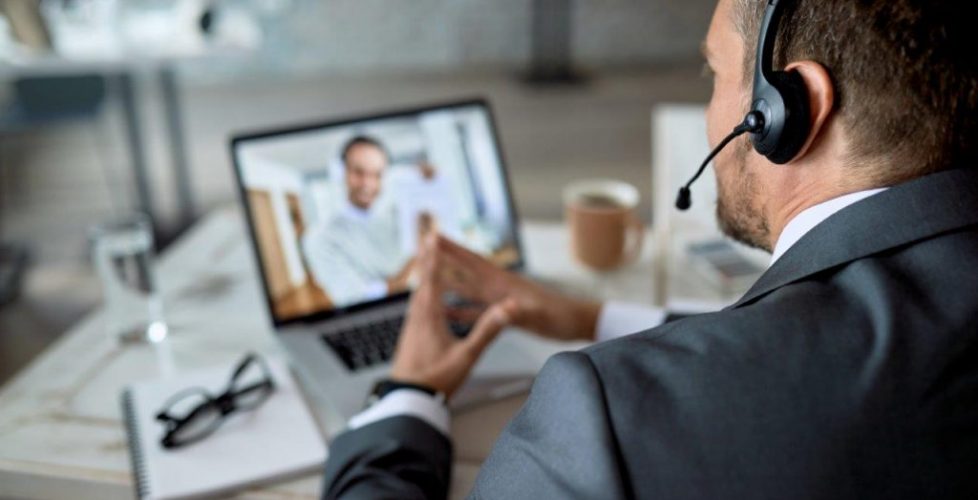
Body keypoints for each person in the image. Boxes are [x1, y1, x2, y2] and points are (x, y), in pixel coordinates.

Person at [322, 0, 978, 498]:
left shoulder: (600, 413)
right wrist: (589, 320)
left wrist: (407, 393)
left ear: (789, 111)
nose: (709, 108)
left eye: (715, 71)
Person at [303, 136, 429, 307]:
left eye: (377, 174)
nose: (368, 184)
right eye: (358, 172)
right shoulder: (320, 238)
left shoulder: (400, 216)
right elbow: (357, 298)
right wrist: (417, 258)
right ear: (341, 173)